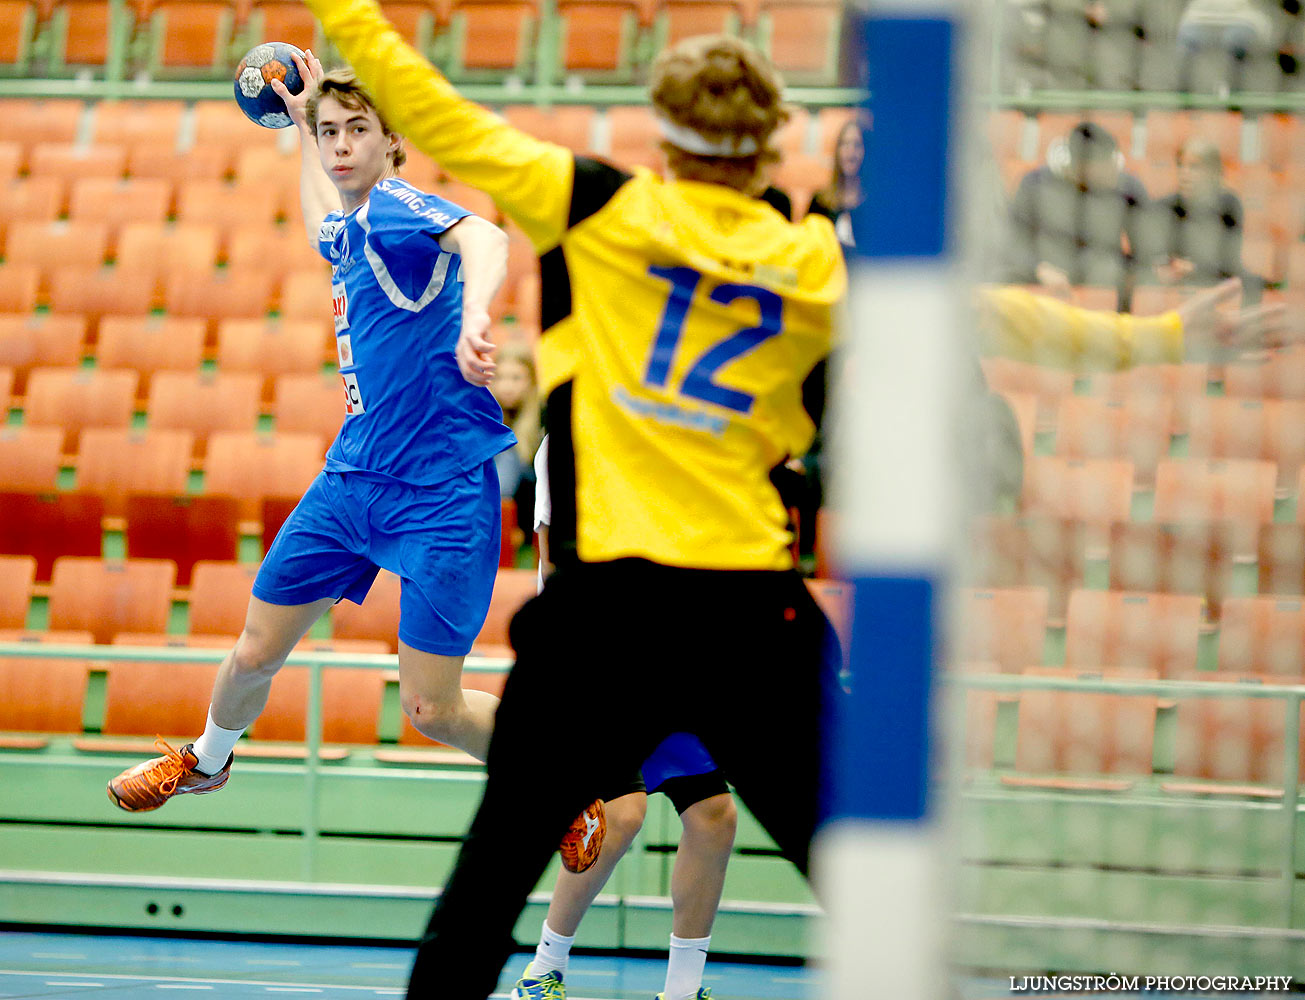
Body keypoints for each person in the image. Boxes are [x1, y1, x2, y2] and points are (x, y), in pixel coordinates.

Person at [303, 0, 846, 993]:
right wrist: (1153, 338)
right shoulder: (811, 256)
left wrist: (339, 9)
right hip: (753, 616)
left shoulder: (596, 200)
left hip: (608, 617)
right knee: (870, 877)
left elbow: (427, 104)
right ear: (771, 145)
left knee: (481, 895)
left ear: (664, 135)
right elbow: (993, 312)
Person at [104, 53, 603, 872]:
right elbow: (317, 230)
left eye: (355, 131)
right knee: (253, 650)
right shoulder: (353, 223)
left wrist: (476, 310)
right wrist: (302, 127)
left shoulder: (401, 208)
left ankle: (558, 783)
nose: (340, 145)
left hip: (444, 492)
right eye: (331, 131)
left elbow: (481, 235)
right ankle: (208, 756)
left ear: (391, 139)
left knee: (430, 709)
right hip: (353, 480)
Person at [513, 436, 736, 1000]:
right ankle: (543, 971)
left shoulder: (682, 426)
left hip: (675, 653)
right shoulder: (566, 439)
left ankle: (682, 992)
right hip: (592, 657)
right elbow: (554, 559)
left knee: (714, 816)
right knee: (622, 814)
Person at [1003, 121, 1148, 305]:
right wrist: (1038, 269)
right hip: (1049, 277)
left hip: (1103, 279)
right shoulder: (1035, 184)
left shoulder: (1126, 186)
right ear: (1080, 167)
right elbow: (1013, 242)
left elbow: (1146, 248)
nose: (1113, 171)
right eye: (1105, 165)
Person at [1141, 137, 1248, 290]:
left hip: (1214, 283)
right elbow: (1153, 257)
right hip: (1173, 286)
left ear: (1213, 172)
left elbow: (1229, 263)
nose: (1184, 173)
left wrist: (1194, 268)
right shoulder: (1164, 206)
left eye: (1194, 167)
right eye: (1181, 166)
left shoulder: (1228, 205)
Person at [490, 341, 542, 544]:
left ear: (531, 380)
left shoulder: (542, 413)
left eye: (516, 378)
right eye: (500, 378)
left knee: (509, 454)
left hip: (532, 502)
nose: (507, 386)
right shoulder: (487, 414)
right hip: (500, 496)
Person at [806, 118, 862, 247]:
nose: (851, 151)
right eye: (845, 144)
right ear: (837, 151)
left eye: (857, 145)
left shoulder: (875, 204)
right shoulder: (820, 200)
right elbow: (809, 246)